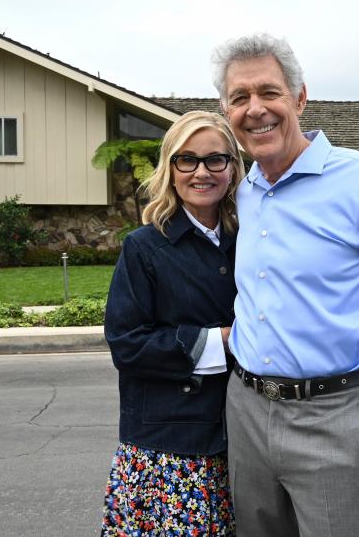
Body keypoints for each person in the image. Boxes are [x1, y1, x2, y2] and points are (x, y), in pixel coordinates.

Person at [212, 34, 359, 536]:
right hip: (247, 412)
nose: (256, 109)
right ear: (226, 111)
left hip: (338, 416)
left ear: (299, 98)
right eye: (239, 97)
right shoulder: (243, 193)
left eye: (269, 92)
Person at [101, 110, 246, 536]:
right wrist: (220, 340)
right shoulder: (144, 247)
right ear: (172, 169)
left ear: (233, 169)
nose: (202, 172)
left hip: (239, 439)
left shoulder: (251, 241)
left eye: (215, 159)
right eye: (188, 160)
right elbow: (127, 343)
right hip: (167, 450)